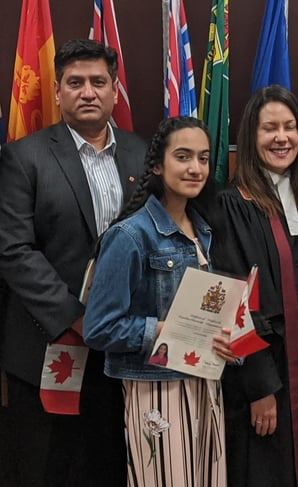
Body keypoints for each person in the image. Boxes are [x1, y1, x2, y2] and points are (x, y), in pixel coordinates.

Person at [0, 39, 146, 486]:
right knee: (48, 468)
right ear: (58, 92)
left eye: (98, 82)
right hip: (50, 345)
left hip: (122, 351)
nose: (88, 92)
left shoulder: (143, 156)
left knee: (111, 465)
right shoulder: (24, 158)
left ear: (115, 92)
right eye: (75, 82)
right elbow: (13, 250)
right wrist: (77, 318)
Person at [83, 116, 236, 486]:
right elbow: (99, 328)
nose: (195, 168)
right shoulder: (130, 235)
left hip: (204, 382)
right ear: (157, 165)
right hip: (157, 386)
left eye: (202, 158)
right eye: (183, 157)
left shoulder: (203, 230)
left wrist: (229, 337)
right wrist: (164, 330)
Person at [210, 85, 298, 487]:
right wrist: (260, 387)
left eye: (290, 127)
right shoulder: (233, 206)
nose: (282, 137)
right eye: (269, 128)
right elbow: (235, 304)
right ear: (250, 138)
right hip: (264, 377)